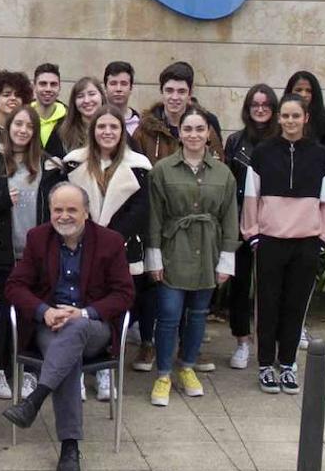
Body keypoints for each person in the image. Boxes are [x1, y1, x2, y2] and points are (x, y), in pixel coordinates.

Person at [1, 184, 135, 471]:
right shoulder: (38, 238)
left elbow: (124, 294)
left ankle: (35, 399)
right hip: (50, 326)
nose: (64, 216)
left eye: (71, 210)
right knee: (67, 356)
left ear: (86, 212)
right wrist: (44, 312)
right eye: (57, 210)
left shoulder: (110, 241)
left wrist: (84, 313)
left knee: (75, 331)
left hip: (93, 327)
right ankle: (69, 448)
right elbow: (15, 286)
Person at [241, 94, 325, 395]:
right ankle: (266, 365)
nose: (290, 121)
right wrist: (253, 234)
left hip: (306, 243)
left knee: (296, 306)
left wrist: (322, 238)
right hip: (269, 241)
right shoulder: (263, 153)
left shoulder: (321, 155)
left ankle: (288, 363)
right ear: (278, 118)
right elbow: (250, 197)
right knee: (267, 304)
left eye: (296, 116)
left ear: (306, 118)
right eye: (285, 116)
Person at [144, 107, 239, 407]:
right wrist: (154, 257)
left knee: (198, 315)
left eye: (200, 129)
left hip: (207, 251)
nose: (194, 135)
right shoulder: (162, 170)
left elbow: (229, 218)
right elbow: (155, 216)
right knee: (169, 315)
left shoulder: (223, 173)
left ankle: (186, 367)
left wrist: (226, 259)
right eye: (188, 129)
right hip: (174, 249)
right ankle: (163, 374)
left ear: (209, 133)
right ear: (180, 133)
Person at [61, 107, 151, 400]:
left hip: (120, 251)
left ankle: (105, 372)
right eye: (102, 127)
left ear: (122, 131)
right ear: (93, 130)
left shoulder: (139, 166)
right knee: (78, 311)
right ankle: (76, 372)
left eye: (114, 126)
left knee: (111, 312)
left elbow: (140, 211)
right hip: (79, 248)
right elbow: (68, 207)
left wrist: (106, 241)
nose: (108, 132)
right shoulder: (74, 163)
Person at [0, 104, 63, 400]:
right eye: (18, 125)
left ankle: (28, 371)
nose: (22, 130)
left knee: (30, 314)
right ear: (8, 128)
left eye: (29, 126)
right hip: (0, 253)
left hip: (35, 255)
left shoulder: (49, 167)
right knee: (0, 312)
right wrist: (1, 199)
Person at [223, 85, 279, 370]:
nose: (260, 109)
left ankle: (270, 343)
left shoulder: (282, 140)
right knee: (241, 285)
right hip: (241, 223)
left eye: (266, 105)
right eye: (255, 104)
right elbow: (228, 184)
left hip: (275, 224)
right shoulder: (235, 141)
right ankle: (242, 341)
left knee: (271, 287)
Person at [133, 62, 223, 165]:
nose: (175, 97)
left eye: (181, 91)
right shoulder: (144, 132)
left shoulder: (205, 129)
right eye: (169, 91)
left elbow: (218, 169)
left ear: (190, 94)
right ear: (161, 91)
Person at [284, 70, 325, 162]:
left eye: (308, 91)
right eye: (298, 90)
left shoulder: (324, 120)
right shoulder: (281, 118)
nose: (303, 95)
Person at [49, 77, 106, 157]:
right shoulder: (61, 130)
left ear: (102, 96)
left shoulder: (115, 126)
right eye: (80, 96)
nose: (86, 100)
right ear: (74, 102)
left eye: (92, 94)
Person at [31, 63, 66, 149]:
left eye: (53, 84)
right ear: (34, 87)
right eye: (43, 84)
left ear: (59, 88)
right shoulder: (21, 117)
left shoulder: (70, 120)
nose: (48, 89)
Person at [103, 61, 141, 137]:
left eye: (124, 84)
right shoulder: (96, 121)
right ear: (105, 88)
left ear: (131, 88)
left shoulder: (140, 125)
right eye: (113, 83)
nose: (118, 89)